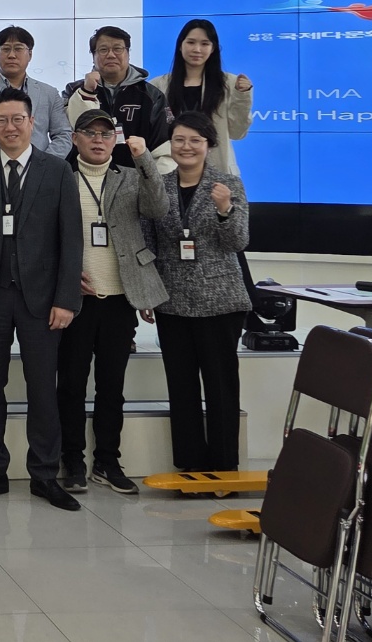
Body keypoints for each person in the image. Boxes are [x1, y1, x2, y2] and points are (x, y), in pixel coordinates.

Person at [0, 88, 83, 511]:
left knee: (43, 388)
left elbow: (71, 240)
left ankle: (44, 474)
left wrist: (66, 299)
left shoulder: (57, 170)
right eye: (1, 120)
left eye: (17, 119)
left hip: (42, 299)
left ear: (32, 122)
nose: (9, 127)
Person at [55, 111, 168, 497]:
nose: (98, 140)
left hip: (120, 299)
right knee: (71, 385)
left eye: (106, 134)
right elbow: (47, 236)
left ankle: (107, 460)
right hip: (76, 301)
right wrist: (65, 278)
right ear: (75, 138)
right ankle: (72, 460)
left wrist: (144, 158)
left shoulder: (132, 177)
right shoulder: (61, 178)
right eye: (90, 133)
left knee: (111, 386)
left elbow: (158, 208)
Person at [143, 111, 251, 472]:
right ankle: (189, 466)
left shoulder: (228, 185)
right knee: (181, 387)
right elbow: (149, 243)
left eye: (195, 140)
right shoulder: (158, 186)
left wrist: (225, 210)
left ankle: (223, 467)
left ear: (209, 145)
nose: (186, 147)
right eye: (179, 140)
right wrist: (148, 292)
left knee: (221, 388)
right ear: (170, 144)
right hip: (172, 301)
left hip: (220, 301)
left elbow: (237, 242)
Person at [149, 19, 253, 175]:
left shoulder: (231, 83)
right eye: (191, 42)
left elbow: (238, 133)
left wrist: (242, 96)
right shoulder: (158, 85)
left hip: (217, 172)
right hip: (171, 170)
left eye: (205, 44)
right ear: (180, 45)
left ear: (213, 48)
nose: (197, 49)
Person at [63, 26, 169, 166]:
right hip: (83, 172)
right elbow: (72, 130)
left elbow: (162, 147)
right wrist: (87, 92)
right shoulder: (74, 90)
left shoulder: (151, 95)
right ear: (93, 56)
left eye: (118, 49)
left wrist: (152, 178)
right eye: (103, 50)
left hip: (134, 175)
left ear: (128, 53)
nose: (111, 55)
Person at [0, 26, 73, 158]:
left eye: (18, 49)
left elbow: (63, 134)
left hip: (40, 168)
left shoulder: (49, 93)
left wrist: (43, 163)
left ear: (30, 54)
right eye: (5, 49)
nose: (12, 55)